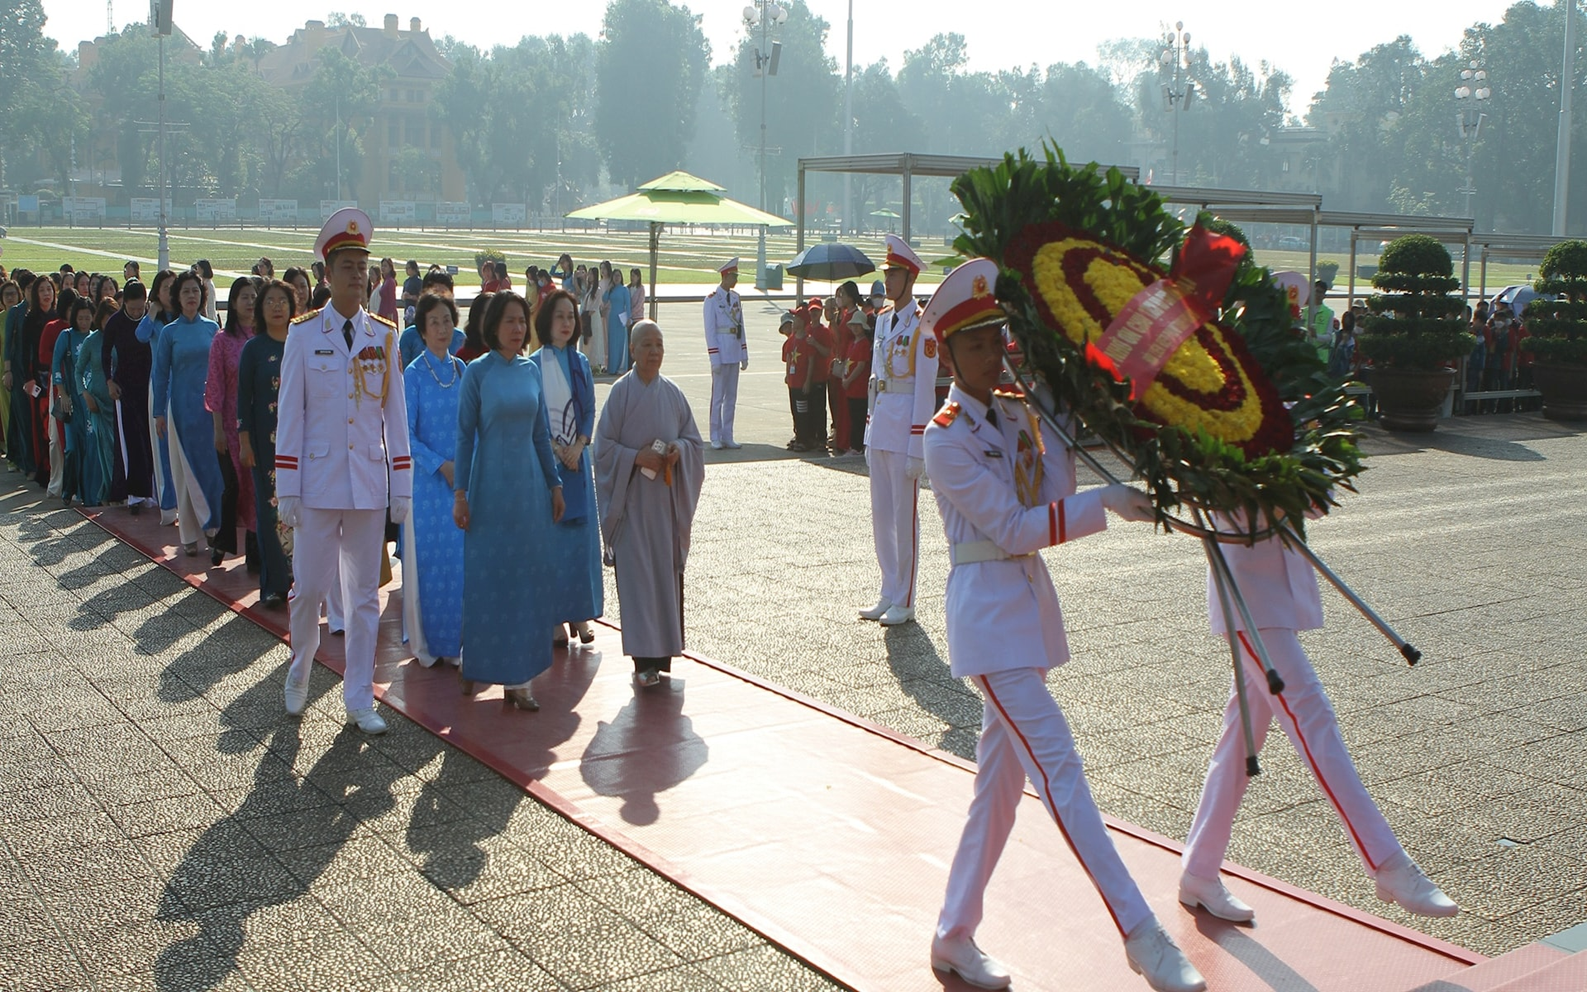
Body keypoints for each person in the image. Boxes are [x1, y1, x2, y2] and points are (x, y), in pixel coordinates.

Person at [919, 259, 1202, 992]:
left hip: (1024, 615)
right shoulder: (943, 437)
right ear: (947, 355)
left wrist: (1060, 409)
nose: (994, 352)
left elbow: (1052, 493)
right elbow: (1013, 527)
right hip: (987, 622)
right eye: (976, 343)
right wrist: (1106, 504)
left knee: (999, 791)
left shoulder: (1015, 408)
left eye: (998, 337)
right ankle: (1142, 936)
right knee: (1062, 772)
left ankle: (952, 934)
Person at [1179, 509, 1459, 928]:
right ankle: (1386, 861)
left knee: (1241, 738)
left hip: (1274, 592)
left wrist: (1300, 482)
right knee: (1312, 716)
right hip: (1245, 593)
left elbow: (1316, 498)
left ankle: (1199, 871)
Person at [277, 207, 413, 735]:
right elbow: (291, 415)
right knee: (309, 589)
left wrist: (399, 484)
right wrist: (287, 487)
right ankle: (301, 667)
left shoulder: (383, 336)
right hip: (315, 482)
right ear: (327, 275)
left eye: (364, 266)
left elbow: (394, 417)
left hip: (367, 484)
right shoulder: (304, 334)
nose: (359, 276)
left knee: (363, 597)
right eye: (348, 266)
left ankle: (359, 696)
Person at [451, 291, 564, 712]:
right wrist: (460, 494)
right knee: (488, 579)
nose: (518, 329)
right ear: (494, 326)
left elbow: (540, 434)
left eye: (523, 321)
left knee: (525, 581)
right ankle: (475, 661)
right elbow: (464, 436)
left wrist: (554, 485)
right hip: (489, 489)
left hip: (529, 491)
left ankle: (519, 678)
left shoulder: (531, 371)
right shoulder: (477, 373)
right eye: (510, 321)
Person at [594, 319, 705, 688]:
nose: (654, 352)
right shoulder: (620, 394)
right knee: (639, 582)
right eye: (646, 345)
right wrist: (635, 458)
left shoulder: (672, 393)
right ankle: (643, 661)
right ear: (632, 350)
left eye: (659, 345)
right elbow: (603, 448)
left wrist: (679, 452)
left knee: (663, 579)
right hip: (631, 506)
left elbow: (694, 442)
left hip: (665, 507)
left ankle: (663, 656)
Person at [860, 236, 936, 627]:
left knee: (905, 517)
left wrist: (917, 446)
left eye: (894, 275)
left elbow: (924, 389)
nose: (887, 281)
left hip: (906, 427)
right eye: (887, 274)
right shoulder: (885, 320)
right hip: (882, 425)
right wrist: (869, 429)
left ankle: (905, 598)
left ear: (910, 278)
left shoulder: (923, 327)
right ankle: (889, 589)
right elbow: (876, 380)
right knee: (882, 515)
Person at [528, 289, 603, 647]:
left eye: (571, 317)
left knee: (579, 544)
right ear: (546, 320)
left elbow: (588, 410)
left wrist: (579, 445)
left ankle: (580, 612)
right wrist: (558, 449)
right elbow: (536, 414)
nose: (566, 323)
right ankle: (554, 617)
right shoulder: (533, 364)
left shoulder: (581, 363)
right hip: (549, 463)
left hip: (578, 461)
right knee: (552, 543)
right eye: (559, 316)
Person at [402, 293, 466, 667]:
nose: (442, 329)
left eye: (447, 321)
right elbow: (404, 435)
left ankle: (457, 642)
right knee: (430, 561)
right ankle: (430, 643)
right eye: (434, 323)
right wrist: (439, 464)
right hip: (427, 485)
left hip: (462, 483)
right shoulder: (412, 375)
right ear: (423, 331)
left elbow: (474, 426)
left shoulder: (462, 370)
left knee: (460, 562)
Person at [151, 270, 225, 557]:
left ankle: (214, 529)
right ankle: (189, 535)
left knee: (211, 469)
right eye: (186, 292)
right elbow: (160, 375)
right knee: (184, 472)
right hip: (180, 411)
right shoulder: (170, 333)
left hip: (208, 411)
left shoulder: (211, 328)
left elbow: (219, 371)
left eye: (195, 291)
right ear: (177, 298)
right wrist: (159, 412)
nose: (191, 296)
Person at [237, 279, 296, 607]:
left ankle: (301, 580)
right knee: (269, 510)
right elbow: (243, 400)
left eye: (283, 301)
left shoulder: (301, 344)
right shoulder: (254, 349)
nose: (277, 307)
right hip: (264, 445)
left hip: (301, 446)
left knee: (301, 511)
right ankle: (274, 584)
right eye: (270, 301)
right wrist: (245, 443)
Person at [205, 278, 259, 567]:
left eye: (254, 297)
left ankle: (255, 550)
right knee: (234, 487)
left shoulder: (265, 337)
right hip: (229, 426)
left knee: (256, 489)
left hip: (260, 427)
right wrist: (218, 430)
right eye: (244, 297)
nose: (250, 302)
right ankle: (224, 542)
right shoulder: (222, 341)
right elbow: (215, 386)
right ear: (234, 303)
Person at [103, 280, 157, 512]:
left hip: (150, 384)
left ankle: (153, 491)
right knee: (131, 441)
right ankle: (134, 494)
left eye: (140, 308)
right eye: (132, 308)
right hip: (125, 387)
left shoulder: (151, 320)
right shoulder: (116, 322)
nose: (136, 312)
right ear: (124, 303)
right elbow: (105, 353)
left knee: (149, 438)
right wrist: (109, 382)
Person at [137, 270, 181, 524]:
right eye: (166, 288)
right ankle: (168, 506)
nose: (170, 292)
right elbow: (141, 336)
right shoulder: (155, 321)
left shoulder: (185, 318)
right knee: (163, 448)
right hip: (161, 388)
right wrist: (151, 312)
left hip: (185, 386)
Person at [51, 296, 94, 506]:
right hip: (71, 400)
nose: (84, 322)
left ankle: (88, 492)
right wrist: (62, 392)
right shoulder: (66, 337)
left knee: (89, 447)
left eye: (88, 318)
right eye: (81, 318)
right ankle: (68, 489)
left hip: (90, 400)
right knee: (72, 448)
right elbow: (55, 364)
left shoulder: (94, 338)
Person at [703, 258, 747, 450]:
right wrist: (714, 358)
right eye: (733, 276)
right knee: (718, 397)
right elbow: (710, 331)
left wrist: (744, 353)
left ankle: (727, 434)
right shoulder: (712, 299)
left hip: (734, 351)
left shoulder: (736, 298)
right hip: (720, 351)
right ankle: (715, 434)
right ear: (725, 276)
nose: (735, 280)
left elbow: (741, 327)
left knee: (731, 397)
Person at [77, 300, 117, 507]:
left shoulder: (120, 339)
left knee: (118, 450)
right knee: (105, 451)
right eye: (106, 319)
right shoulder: (92, 342)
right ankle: (111, 494)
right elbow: (78, 371)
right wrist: (84, 394)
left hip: (117, 404)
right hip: (97, 404)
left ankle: (108, 493)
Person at [38, 287, 75, 496]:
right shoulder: (53, 327)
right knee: (57, 436)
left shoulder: (82, 328)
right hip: (57, 386)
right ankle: (57, 482)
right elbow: (43, 356)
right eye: (69, 308)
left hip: (78, 385)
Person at [398, 273, 464, 368]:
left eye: (444, 295)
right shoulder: (409, 337)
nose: (439, 302)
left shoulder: (460, 339)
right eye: (435, 295)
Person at [840, 308, 872, 457]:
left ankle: (857, 447)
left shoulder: (864, 343)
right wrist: (843, 377)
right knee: (853, 417)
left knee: (859, 418)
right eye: (853, 325)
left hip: (859, 387)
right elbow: (848, 361)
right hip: (850, 386)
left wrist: (849, 380)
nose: (855, 328)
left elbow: (861, 365)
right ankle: (854, 445)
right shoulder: (852, 343)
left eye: (858, 325)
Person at [602, 262, 630, 374]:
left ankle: (620, 366)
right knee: (612, 343)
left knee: (620, 343)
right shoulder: (612, 289)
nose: (616, 278)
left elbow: (628, 305)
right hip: (612, 318)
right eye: (615, 276)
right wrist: (608, 289)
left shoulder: (624, 290)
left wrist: (629, 318)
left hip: (621, 319)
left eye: (618, 276)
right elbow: (604, 299)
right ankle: (612, 367)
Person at [581, 266, 607, 373]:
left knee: (594, 340)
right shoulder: (589, 288)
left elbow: (595, 307)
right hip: (587, 317)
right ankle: (587, 362)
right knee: (587, 340)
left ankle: (595, 364)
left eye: (591, 274)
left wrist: (586, 314)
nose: (589, 276)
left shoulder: (598, 289)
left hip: (593, 317)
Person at [458, 291, 493, 363]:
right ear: (476, 318)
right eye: (488, 314)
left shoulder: (509, 354)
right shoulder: (464, 356)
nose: (493, 319)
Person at [376, 256, 400, 325]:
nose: (383, 268)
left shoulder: (390, 281)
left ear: (390, 268)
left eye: (385, 266)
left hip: (388, 313)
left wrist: (390, 313)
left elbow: (392, 299)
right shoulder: (386, 280)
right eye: (382, 266)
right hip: (383, 310)